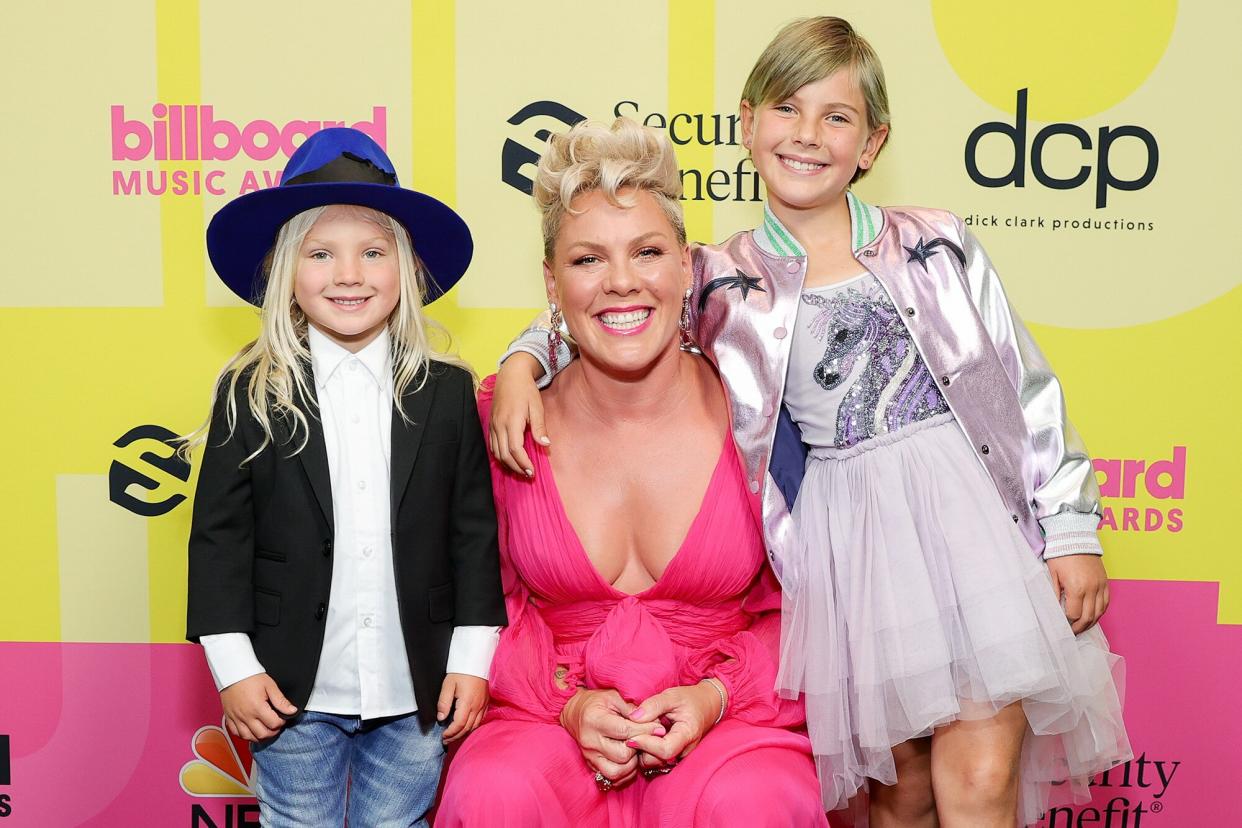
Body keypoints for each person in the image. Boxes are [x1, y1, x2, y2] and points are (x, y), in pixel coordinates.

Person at [490, 17, 1131, 828]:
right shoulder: (719, 277)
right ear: (748, 122)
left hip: (967, 534)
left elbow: (1022, 383)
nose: (808, 135)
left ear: (873, 143)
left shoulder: (935, 241)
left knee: (980, 776)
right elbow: (610, 301)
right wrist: (523, 362)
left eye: (837, 118)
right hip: (847, 552)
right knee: (899, 793)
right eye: (788, 110)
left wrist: (1070, 528)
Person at [437, 118, 827, 827]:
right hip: (544, 717)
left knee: (758, 801)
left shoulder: (766, 416)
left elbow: (812, 606)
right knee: (493, 790)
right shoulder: (497, 417)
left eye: (646, 252)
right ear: (552, 284)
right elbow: (468, 602)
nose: (621, 282)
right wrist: (569, 703)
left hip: (730, 721)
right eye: (587, 261)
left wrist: (714, 696)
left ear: (686, 266)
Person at [184, 127, 506, 827]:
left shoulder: (447, 391)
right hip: (287, 690)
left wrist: (473, 660)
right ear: (282, 272)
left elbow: (473, 535)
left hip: (414, 685)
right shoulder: (250, 390)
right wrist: (234, 668)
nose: (349, 274)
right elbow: (218, 543)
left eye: (373, 252)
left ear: (409, 270)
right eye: (321, 254)